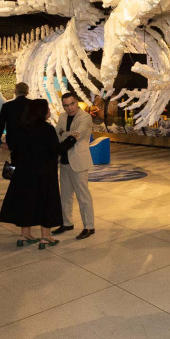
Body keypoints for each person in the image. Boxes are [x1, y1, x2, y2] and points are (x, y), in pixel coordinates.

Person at [0, 99, 75, 248]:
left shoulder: (20, 127)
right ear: (41, 111)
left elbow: (13, 146)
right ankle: (46, 236)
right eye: (47, 109)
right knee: (46, 202)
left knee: (26, 201)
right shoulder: (46, 129)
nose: (49, 112)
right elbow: (56, 149)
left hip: (23, 173)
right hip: (43, 173)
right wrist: (71, 139)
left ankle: (25, 234)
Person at [52, 92, 96, 238]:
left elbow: (77, 135)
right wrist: (66, 134)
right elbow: (58, 133)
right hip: (64, 161)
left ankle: (89, 226)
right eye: (66, 105)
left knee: (83, 196)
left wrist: (65, 133)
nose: (69, 108)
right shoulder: (63, 116)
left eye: (72, 104)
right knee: (65, 195)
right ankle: (67, 223)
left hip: (78, 161)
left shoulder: (85, 117)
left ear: (76, 102)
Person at [0, 82, 30, 164]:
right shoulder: (32, 104)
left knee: (15, 162)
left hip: (13, 141)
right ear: (27, 92)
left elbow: (1, 124)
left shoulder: (7, 106)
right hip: (30, 140)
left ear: (15, 91)